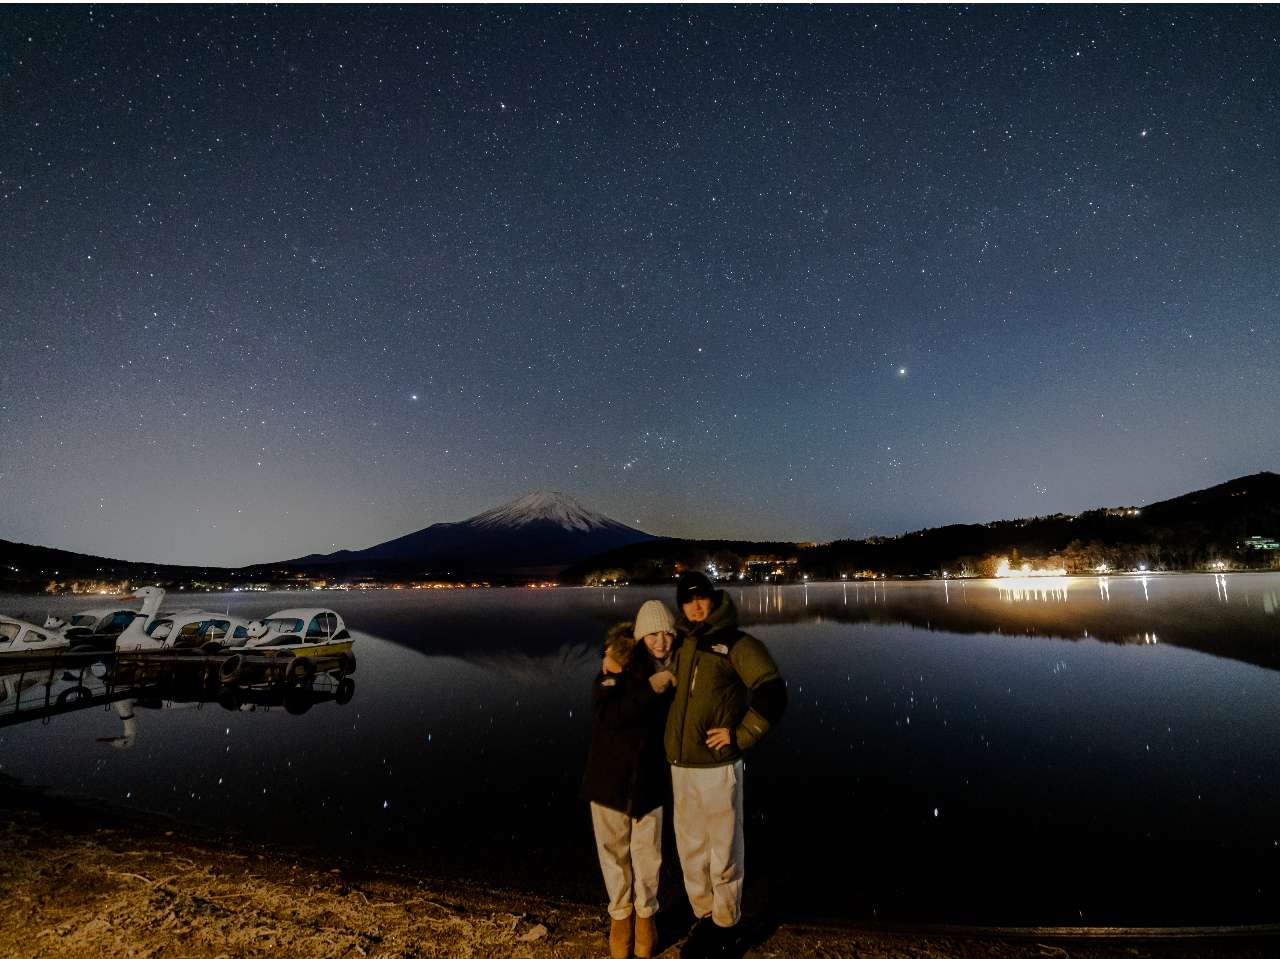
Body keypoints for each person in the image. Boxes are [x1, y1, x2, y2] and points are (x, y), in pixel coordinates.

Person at [665, 572, 787, 959]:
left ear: (714, 601)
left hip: (718, 766)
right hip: (681, 764)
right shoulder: (682, 643)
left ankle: (725, 922)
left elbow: (772, 690)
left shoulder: (736, 643)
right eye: (688, 600)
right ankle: (703, 912)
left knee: (724, 847)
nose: (696, 605)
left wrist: (741, 734)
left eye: (702, 598)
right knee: (689, 847)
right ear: (681, 605)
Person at [580, 600, 680, 959]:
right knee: (613, 854)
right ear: (639, 636)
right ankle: (620, 915)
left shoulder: (680, 670)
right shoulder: (618, 666)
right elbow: (608, 715)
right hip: (609, 777)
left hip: (650, 779)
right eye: (653, 633)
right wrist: (653, 690)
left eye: (668, 633)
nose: (661, 641)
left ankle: (646, 913)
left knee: (648, 855)